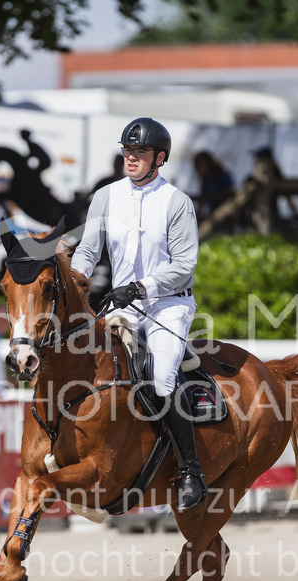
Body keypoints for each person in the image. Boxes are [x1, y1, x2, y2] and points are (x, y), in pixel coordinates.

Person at [70, 116, 206, 512]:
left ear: (159, 157)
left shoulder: (177, 202)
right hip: (121, 304)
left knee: (161, 375)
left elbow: (184, 264)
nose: (131, 157)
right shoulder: (106, 196)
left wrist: (143, 286)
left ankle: (189, 470)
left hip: (168, 303)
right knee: (89, 364)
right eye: (127, 151)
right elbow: (88, 250)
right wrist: (75, 278)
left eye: (140, 152)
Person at [193, 151, 235, 230]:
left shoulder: (222, 175)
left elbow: (230, 192)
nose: (199, 169)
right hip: (213, 215)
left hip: (226, 214)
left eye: (200, 165)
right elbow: (203, 199)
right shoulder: (206, 180)